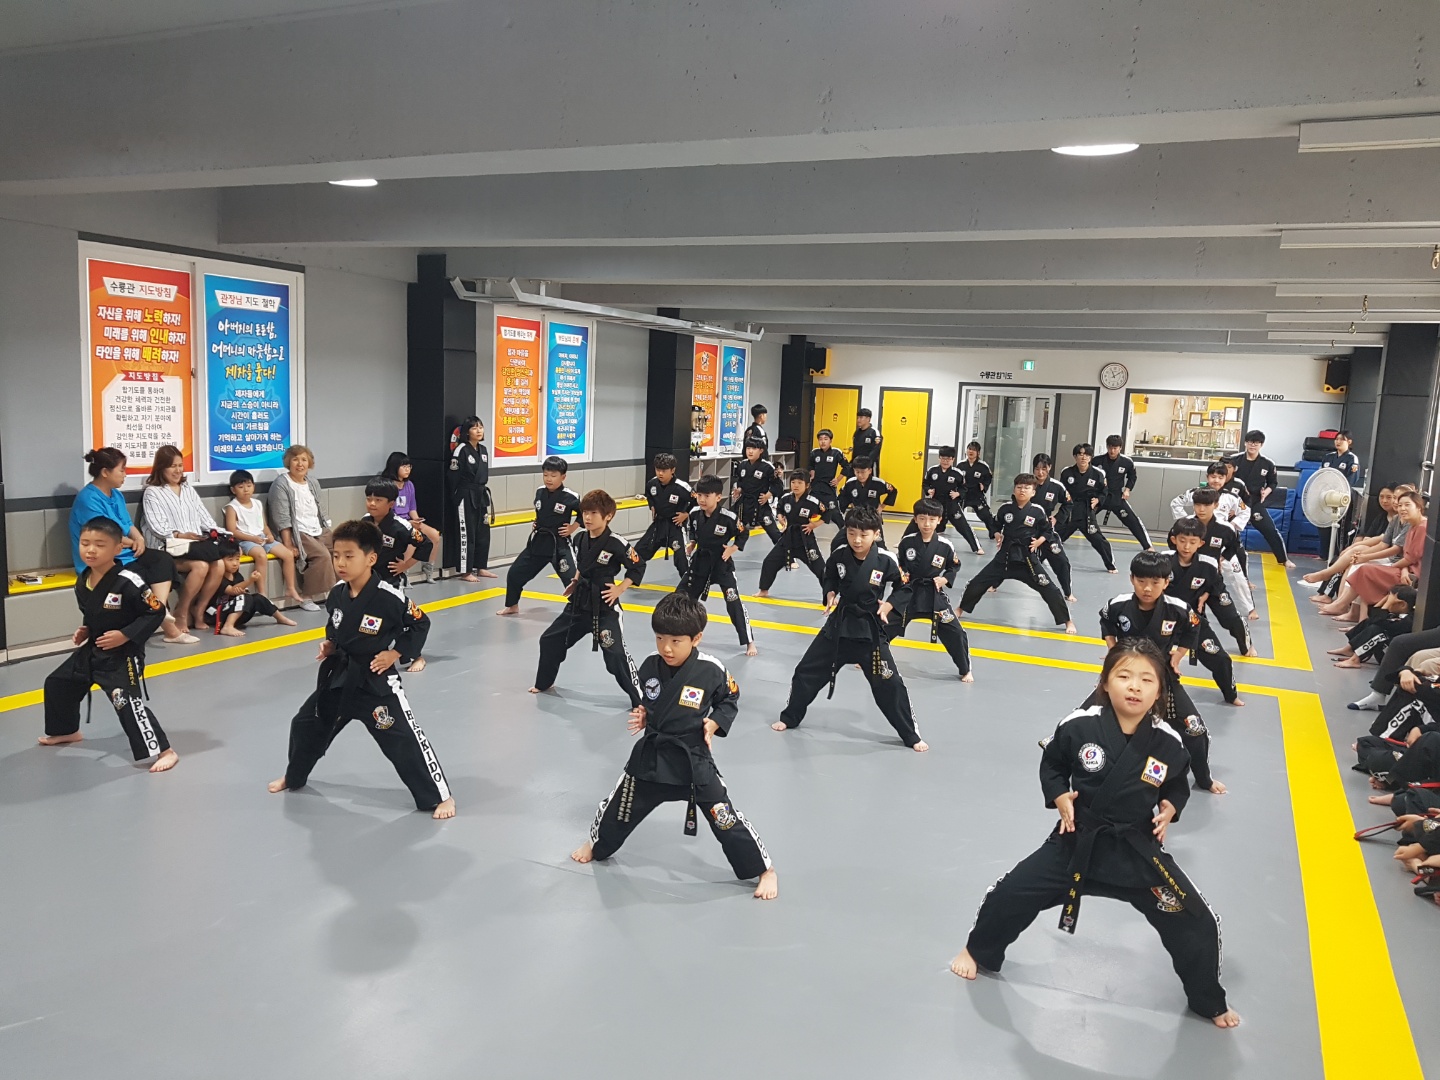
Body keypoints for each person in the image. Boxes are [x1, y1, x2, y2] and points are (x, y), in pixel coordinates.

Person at [950, 639, 1238, 1029]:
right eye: (1124, 676)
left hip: (1137, 851)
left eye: (1146, 680)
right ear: (1105, 682)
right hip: (1076, 841)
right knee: (1010, 894)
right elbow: (1052, 764)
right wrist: (1059, 796)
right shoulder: (1079, 724)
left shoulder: (1168, 741)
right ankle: (978, 951)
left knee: (1195, 920)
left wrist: (1171, 807)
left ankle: (1207, 999)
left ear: (1159, 691)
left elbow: (1176, 784)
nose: (1134, 686)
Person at [570, 592, 778, 900]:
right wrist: (645, 714)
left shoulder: (711, 669)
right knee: (618, 808)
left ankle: (765, 869)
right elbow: (650, 699)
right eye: (659, 639)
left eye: (676, 641)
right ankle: (596, 844)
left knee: (725, 818)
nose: (666, 648)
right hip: (652, 757)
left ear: (696, 638)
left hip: (693, 760)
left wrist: (714, 722)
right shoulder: (650, 665)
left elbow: (730, 698)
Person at [267, 519, 455, 819]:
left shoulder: (388, 596)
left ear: (370, 558)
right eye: (336, 555)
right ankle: (295, 776)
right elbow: (335, 625)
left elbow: (420, 623)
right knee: (305, 724)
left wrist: (395, 653)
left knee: (402, 739)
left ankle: (439, 796)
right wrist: (330, 644)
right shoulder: (337, 593)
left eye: (349, 556)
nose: (340, 563)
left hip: (375, 681)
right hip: (340, 677)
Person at [772, 505, 927, 751]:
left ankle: (910, 734)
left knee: (891, 684)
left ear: (876, 534)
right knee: (806, 671)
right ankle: (790, 716)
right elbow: (830, 576)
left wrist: (889, 605)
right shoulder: (840, 553)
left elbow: (904, 587)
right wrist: (830, 593)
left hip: (870, 631)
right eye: (852, 533)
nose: (857, 540)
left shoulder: (886, 559)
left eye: (864, 535)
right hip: (839, 627)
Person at [39, 517, 179, 772]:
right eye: (85, 543)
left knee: (125, 701)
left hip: (123, 654)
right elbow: (93, 613)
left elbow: (156, 611)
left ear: (117, 548)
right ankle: (67, 731)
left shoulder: (130, 580)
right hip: (95, 648)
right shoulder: (83, 579)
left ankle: (165, 751)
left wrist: (125, 635)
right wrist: (85, 630)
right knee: (59, 682)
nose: (91, 550)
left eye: (100, 545)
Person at [1097, 551, 1227, 793]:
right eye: (1141, 581)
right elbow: (1106, 622)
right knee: (1085, 717)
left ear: (1166, 582)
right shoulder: (1118, 604)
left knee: (1195, 730)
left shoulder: (1177, 608)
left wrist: (1178, 657)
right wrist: (1113, 651)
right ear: (1131, 579)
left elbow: (1194, 627)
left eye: (1155, 582)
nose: (1147, 588)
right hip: (1124, 674)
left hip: (1162, 675)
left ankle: (1204, 778)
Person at [530, 489, 646, 706]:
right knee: (550, 640)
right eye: (585, 513)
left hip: (605, 606)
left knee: (615, 655)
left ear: (608, 516)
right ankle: (544, 683)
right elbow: (582, 565)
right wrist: (575, 581)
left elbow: (638, 565)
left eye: (593, 513)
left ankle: (641, 700)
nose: (588, 518)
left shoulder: (616, 542)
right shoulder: (580, 538)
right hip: (579, 602)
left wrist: (620, 589)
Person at [70, 447, 196, 645]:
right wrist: (133, 542)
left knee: (161, 559)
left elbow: (127, 525)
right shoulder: (88, 499)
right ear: (105, 472)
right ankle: (167, 625)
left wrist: (139, 539)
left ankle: (159, 608)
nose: (125, 474)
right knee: (137, 576)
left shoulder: (116, 495)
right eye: (122, 470)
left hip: (123, 551)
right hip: (101, 558)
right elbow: (105, 535)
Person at [958, 473, 1076, 632]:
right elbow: (995, 525)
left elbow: (1048, 530)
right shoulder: (1005, 508)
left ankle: (1067, 621)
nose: (1022, 490)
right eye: (1019, 487)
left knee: (1050, 589)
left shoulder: (1037, 511)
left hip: (1028, 560)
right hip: (1005, 557)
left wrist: (1039, 541)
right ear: (1014, 490)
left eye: (1027, 488)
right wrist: (997, 534)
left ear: (1033, 492)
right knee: (976, 583)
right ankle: (960, 609)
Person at [141, 443, 229, 633]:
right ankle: (181, 611)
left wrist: (222, 533)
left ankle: (199, 610)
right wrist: (180, 535)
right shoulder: (153, 492)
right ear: (161, 467)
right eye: (172, 466)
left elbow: (204, 517)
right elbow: (157, 527)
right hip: (167, 548)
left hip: (194, 546)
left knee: (220, 564)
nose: (178, 470)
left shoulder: (188, 488)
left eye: (180, 465)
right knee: (201, 566)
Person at [1163, 519, 1250, 703]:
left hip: (1193, 621)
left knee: (1221, 659)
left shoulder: (1209, 564)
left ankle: (1231, 695)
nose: (1186, 546)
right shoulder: (1163, 561)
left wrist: (1206, 594)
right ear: (1173, 540)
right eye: (1182, 541)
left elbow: (1216, 584)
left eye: (1192, 542)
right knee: (1144, 657)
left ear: (1201, 543)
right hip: (1163, 620)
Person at [889, 499, 972, 681]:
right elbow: (899, 565)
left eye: (932, 519)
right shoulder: (907, 542)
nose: (927, 524)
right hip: (910, 591)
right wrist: (902, 577)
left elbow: (954, 565)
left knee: (955, 632)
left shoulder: (945, 545)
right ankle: (870, 654)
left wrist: (945, 579)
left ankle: (965, 668)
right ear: (915, 519)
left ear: (939, 520)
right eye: (922, 519)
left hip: (934, 593)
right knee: (886, 624)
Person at [361, 476, 434, 672]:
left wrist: (405, 565)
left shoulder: (401, 526)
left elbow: (425, 544)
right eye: (369, 499)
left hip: (391, 581)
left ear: (391, 504)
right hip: (367, 581)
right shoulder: (364, 523)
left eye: (378, 500)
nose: (372, 503)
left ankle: (415, 655)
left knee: (399, 619)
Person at [1320, 490, 1427, 623]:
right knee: (1362, 568)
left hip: (1413, 575)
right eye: (1400, 505)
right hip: (1405, 569)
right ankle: (1355, 615)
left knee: (1365, 571)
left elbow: (1410, 559)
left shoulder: (1422, 527)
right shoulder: (1410, 525)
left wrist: (1392, 567)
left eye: (1407, 505)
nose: (1402, 508)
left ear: (1418, 507)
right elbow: (1405, 556)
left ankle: (1344, 605)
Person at [681, 476, 757, 653]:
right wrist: (692, 543)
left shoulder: (728, 517)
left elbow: (743, 533)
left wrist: (732, 549)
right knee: (683, 598)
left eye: (706, 496)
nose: (702, 499)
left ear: (718, 497)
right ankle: (685, 634)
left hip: (722, 563)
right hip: (700, 562)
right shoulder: (694, 513)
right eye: (699, 495)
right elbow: (693, 531)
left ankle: (749, 641)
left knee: (733, 602)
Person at [498, 456, 580, 615]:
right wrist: (537, 522)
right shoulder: (540, 491)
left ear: (563, 477)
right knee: (514, 573)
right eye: (546, 475)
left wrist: (573, 527)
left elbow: (583, 514)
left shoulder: (571, 496)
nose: (548, 479)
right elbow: (541, 511)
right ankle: (512, 605)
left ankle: (583, 611)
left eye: (553, 475)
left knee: (573, 581)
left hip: (560, 544)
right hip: (539, 542)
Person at [268, 443, 336, 608]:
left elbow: (320, 508)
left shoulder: (312, 482)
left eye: (304, 460)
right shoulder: (281, 484)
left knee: (340, 550)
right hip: (297, 532)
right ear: (288, 462)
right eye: (295, 459)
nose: (300, 464)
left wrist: (327, 528)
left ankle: (338, 592)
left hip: (316, 527)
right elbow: (282, 518)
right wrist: (288, 544)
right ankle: (306, 597)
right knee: (322, 555)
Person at [1301, 483, 1404, 592]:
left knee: (1353, 558)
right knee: (1348, 556)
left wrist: (1363, 554)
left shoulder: (1404, 523)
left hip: (1388, 557)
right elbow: (1369, 538)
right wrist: (1353, 548)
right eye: (1382, 497)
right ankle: (1330, 594)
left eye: (1391, 497)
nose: (1385, 501)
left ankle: (1329, 582)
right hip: (1377, 551)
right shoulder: (1384, 518)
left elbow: (1384, 543)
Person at [223, 469, 305, 606]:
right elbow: (232, 530)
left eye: (249, 486)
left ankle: (290, 588)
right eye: (241, 487)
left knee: (288, 554)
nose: (246, 490)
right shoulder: (232, 507)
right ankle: (262, 592)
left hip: (262, 538)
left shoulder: (257, 504)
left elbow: (264, 525)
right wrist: (252, 539)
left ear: (253, 486)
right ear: (233, 490)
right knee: (261, 555)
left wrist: (269, 535)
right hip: (245, 540)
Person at [1186, 487, 1256, 623]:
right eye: (1198, 505)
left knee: (1238, 577)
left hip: (1220, 552)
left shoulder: (1232, 496)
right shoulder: (1186, 523)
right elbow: (1174, 541)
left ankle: (1250, 608)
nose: (1201, 509)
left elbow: (1235, 544)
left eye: (1206, 505)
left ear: (1215, 505)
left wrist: (1223, 556)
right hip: (1193, 561)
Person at [1227, 431, 1295, 568]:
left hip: (1254, 502)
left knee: (1270, 530)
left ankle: (1283, 559)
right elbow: (1224, 478)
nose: (1253, 445)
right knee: (1223, 529)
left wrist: (1266, 492)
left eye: (1256, 443)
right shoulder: (1233, 461)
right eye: (1250, 442)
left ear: (1261, 445)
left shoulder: (1267, 464)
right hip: (1233, 502)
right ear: (1245, 443)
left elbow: (1273, 483)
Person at [202, 539, 297, 636]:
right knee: (245, 597)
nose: (235, 563)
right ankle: (227, 626)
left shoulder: (237, 576)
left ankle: (280, 618)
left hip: (233, 611)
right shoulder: (218, 577)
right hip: (215, 614)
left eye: (237, 559)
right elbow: (231, 590)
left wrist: (244, 591)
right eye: (230, 560)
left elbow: (243, 591)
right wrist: (250, 580)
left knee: (258, 597)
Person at [757, 471, 826, 598]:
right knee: (769, 562)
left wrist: (814, 525)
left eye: (800, 483)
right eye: (793, 482)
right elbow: (779, 508)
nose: (796, 485)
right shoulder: (786, 498)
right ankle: (763, 590)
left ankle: (829, 594)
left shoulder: (813, 501)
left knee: (820, 568)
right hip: (788, 539)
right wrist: (780, 517)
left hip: (805, 540)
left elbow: (827, 513)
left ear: (807, 485)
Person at [1056, 443, 1117, 572]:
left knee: (1098, 540)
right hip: (1070, 511)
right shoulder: (1067, 472)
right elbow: (1061, 491)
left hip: (1086, 511)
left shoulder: (1098, 474)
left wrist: (1098, 500)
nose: (1083, 457)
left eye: (1087, 455)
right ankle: (1038, 561)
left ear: (1090, 457)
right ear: (1075, 457)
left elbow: (1104, 491)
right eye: (1080, 454)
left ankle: (1110, 565)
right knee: (1054, 537)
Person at [633, 453, 694, 580]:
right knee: (637, 552)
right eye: (658, 470)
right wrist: (652, 506)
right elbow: (649, 495)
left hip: (675, 525)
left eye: (664, 471)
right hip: (658, 524)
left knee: (681, 559)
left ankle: (688, 584)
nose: (660, 473)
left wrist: (686, 514)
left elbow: (697, 501)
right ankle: (633, 578)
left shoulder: (682, 487)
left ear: (672, 470)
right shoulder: (652, 484)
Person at [449, 416, 496, 580]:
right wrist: (457, 496)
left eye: (480, 427)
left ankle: (481, 566)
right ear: (467, 432)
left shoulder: (483, 450)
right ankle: (466, 571)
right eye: (474, 428)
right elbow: (453, 476)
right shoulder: (461, 450)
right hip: (465, 495)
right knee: (467, 533)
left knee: (483, 532)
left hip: (481, 494)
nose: (479, 430)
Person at [381, 451, 439, 582]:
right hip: (395, 521)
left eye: (409, 466)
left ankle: (429, 567)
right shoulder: (387, 486)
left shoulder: (409, 485)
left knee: (434, 535)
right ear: (395, 467)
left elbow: (412, 508)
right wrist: (409, 524)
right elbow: (388, 512)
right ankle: (404, 573)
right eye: (404, 466)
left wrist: (416, 520)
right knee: (412, 538)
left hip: (409, 520)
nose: (407, 470)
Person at [1330, 585, 1415, 668]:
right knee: (1368, 622)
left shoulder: (1408, 620)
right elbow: (1373, 618)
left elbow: (1380, 622)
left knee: (1376, 630)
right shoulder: (1396, 614)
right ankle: (1349, 649)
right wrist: (1385, 599)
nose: (1387, 603)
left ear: (1402, 605)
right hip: (1386, 650)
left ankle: (1355, 660)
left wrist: (1387, 604)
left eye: (1389, 601)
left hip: (1391, 657)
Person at [1031, 453, 1076, 602]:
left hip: (1046, 529)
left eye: (1044, 469)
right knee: (1009, 556)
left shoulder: (1057, 486)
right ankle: (993, 583)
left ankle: (1068, 592)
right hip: (1027, 528)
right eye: (1037, 469)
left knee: (1062, 561)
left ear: (1049, 468)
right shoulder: (1027, 484)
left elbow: (1068, 504)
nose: (1040, 472)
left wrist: (1057, 518)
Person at [921, 446, 983, 554]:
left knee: (963, 526)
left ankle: (977, 547)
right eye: (943, 458)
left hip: (951, 504)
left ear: (953, 459)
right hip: (935, 503)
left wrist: (958, 494)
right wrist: (928, 490)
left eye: (948, 459)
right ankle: (905, 540)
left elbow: (964, 488)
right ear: (939, 458)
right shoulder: (932, 470)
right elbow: (925, 484)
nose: (945, 461)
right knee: (919, 520)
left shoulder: (957, 473)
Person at [1097, 435, 1153, 548]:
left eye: (1115, 448)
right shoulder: (1097, 460)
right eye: (1110, 448)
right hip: (1100, 496)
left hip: (1117, 497)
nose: (1112, 451)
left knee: (1133, 521)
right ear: (1107, 447)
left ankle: (1147, 546)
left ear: (1120, 448)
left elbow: (1132, 477)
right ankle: (1060, 539)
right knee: (1080, 516)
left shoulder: (1127, 462)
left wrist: (1127, 490)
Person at [830, 456, 897, 550]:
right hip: (855, 518)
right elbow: (843, 496)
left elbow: (893, 491)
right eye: (857, 472)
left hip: (872, 518)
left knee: (880, 547)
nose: (860, 475)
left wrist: (882, 507)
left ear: (869, 470)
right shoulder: (850, 483)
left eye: (863, 472)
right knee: (836, 542)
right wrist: (849, 506)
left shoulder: (878, 483)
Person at [729, 438, 784, 549]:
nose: (750, 451)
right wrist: (739, 489)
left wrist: (768, 495)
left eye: (754, 448)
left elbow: (778, 485)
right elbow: (741, 481)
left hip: (760, 504)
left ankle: (787, 555)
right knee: (729, 528)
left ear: (761, 450)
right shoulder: (742, 465)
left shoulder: (767, 467)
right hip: (743, 504)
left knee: (774, 533)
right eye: (748, 448)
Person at [1319, 429, 1363, 556]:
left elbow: (1351, 479)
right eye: (1336, 439)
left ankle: (1338, 554)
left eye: (1342, 439)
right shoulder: (1328, 457)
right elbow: (1321, 475)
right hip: (1326, 495)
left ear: (1349, 442)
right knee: (1323, 524)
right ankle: (1324, 554)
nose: (1338, 442)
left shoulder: (1352, 458)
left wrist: (1339, 491)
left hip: (1342, 496)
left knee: (1340, 526)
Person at [807, 428, 850, 527]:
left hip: (829, 488)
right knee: (806, 511)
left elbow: (847, 467)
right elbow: (810, 466)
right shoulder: (814, 452)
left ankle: (844, 532)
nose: (823, 441)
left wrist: (838, 479)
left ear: (830, 441)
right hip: (815, 488)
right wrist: (812, 474)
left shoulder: (836, 452)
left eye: (825, 439)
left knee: (835, 513)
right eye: (820, 439)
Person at [957, 441, 1000, 537]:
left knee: (986, 515)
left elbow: (988, 477)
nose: (971, 451)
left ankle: (994, 533)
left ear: (978, 453)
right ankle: (939, 529)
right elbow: (956, 478)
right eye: (969, 449)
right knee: (953, 513)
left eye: (974, 450)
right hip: (963, 495)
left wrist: (984, 486)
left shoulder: (983, 466)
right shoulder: (960, 465)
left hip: (976, 494)